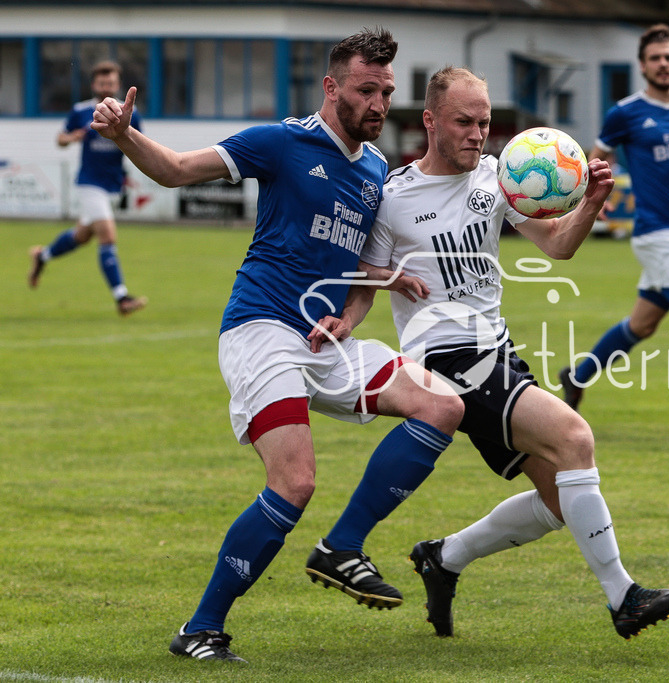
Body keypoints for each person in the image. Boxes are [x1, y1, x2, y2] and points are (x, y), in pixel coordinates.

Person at [91, 28, 465, 663]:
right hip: (261, 329)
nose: (378, 103)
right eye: (365, 90)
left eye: (386, 92)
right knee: (294, 481)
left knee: (443, 405)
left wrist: (361, 304)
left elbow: (357, 266)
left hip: (323, 340)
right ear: (331, 87)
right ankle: (200, 630)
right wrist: (124, 134)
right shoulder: (283, 142)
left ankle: (342, 547)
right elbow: (178, 170)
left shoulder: (377, 170)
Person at [351, 66, 669, 640]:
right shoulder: (393, 197)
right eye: (463, 121)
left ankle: (445, 556)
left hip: (497, 350)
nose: (476, 133)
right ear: (430, 121)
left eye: (484, 122)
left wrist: (591, 204)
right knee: (575, 438)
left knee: (560, 499)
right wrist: (368, 298)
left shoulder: (498, 179)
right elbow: (365, 274)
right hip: (446, 361)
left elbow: (557, 245)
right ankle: (623, 598)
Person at [559, 24, 669, 434]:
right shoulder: (626, 112)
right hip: (655, 231)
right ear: (642, 66)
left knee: (642, 325)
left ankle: (578, 377)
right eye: (655, 58)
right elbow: (595, 159)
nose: (663, 64)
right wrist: (590, 197)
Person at [28, 61, 147, 315]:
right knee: (108, 236)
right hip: (89, 183)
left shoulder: (130, 113)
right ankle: (122, 298)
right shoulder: (81, 111)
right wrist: (71, 138)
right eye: (102, 83)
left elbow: (141, 145)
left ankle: (43, 256)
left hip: (113, 185)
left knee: (83, 235)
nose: (107, 87)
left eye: (111, 83)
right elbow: (60, 139)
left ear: (117, 85)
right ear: (94, 85)